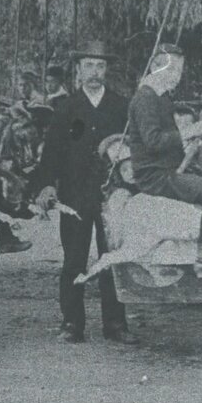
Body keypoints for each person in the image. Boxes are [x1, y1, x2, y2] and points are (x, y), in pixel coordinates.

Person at [32, 41, 132, 343]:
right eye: (88, 66)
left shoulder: (121, 106)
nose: (94, 72)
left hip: (111, 197)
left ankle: (115, 324)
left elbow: (131, 152)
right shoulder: (66, 108)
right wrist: (47, 185)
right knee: (74, 259)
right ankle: (72, 323)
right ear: (78, 70)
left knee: (112, 257)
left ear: (107, 71)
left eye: (100, 66)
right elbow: (51, 154)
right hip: (74, 196)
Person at [125, 44, 202, 275]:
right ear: (155, 67)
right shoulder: (146, 98)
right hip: (156, 175)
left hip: (168, 169)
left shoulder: (160, 97)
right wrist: (190, 131)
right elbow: (153, 141)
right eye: (172, 69)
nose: (177, 76)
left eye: (179, 70)